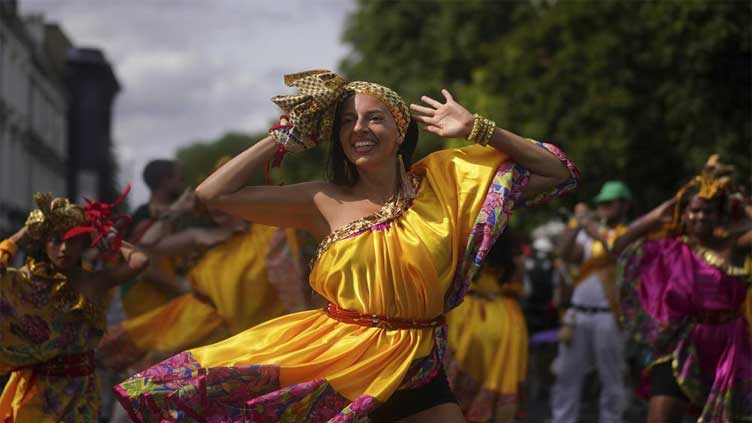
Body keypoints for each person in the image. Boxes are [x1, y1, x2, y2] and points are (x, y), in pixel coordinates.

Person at [114, 69, 579, 422]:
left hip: (418, 363)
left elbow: (558, 172)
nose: (359, 128)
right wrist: (280, 138)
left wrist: (478, 128)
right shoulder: (321, 199)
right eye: (346, 121)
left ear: (400, 132)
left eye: (374, 118)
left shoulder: (447, 184)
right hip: (338, 366)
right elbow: (212, 195)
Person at [614, 155, 751, 423]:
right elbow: (618, 248)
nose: (700, 216)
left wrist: (739, 207)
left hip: (729, 347)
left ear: (718, 214)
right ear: (684, 213)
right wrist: (656, 216)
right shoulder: (668, 248)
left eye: (708, 210)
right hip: (682, 345)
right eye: (694, 210)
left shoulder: (731, 247)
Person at [99, 207, 309, 372]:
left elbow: (289, 282)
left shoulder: (268, 234)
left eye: (225, 198)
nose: (217, 206)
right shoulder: (204, 236)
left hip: (249, 338)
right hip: (196, 327)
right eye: (213, 201)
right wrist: (179, 209)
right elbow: (148, 243)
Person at [0, 191, 149, 422]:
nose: (63, 248)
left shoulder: (92, 281)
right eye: (56, 240)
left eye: (72, 241)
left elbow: (140, 261)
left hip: (82, 393)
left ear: (83, 244)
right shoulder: (26, 281)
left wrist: (109, 236)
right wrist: (22, 234)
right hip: (39, 394)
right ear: (43, 241)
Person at [551, 180, 632, 423]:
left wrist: (587, 222)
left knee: (612, 378)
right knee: (567, 376)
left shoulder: (627, 234)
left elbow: (613, 246)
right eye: (601, 203)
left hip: (609, 316)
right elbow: (565, 253)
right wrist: (575, 225)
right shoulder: (587, 236)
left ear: (625, 205)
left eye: (609, 203)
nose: (603, 207)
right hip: (577, 316)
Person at [445, 230, 528, 423]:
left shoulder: (464, 240)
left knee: (452, 373)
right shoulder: (512, 253)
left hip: (465, 314)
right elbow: (519, 285)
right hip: (504, 318)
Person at [121, 159, 188, 318]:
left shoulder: (170, 215)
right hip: (147, 306)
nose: (183, 183)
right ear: (165, 181)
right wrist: (184, 290)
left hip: (162, 303)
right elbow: (145, 268)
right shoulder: (145, 218)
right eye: (179, 178)